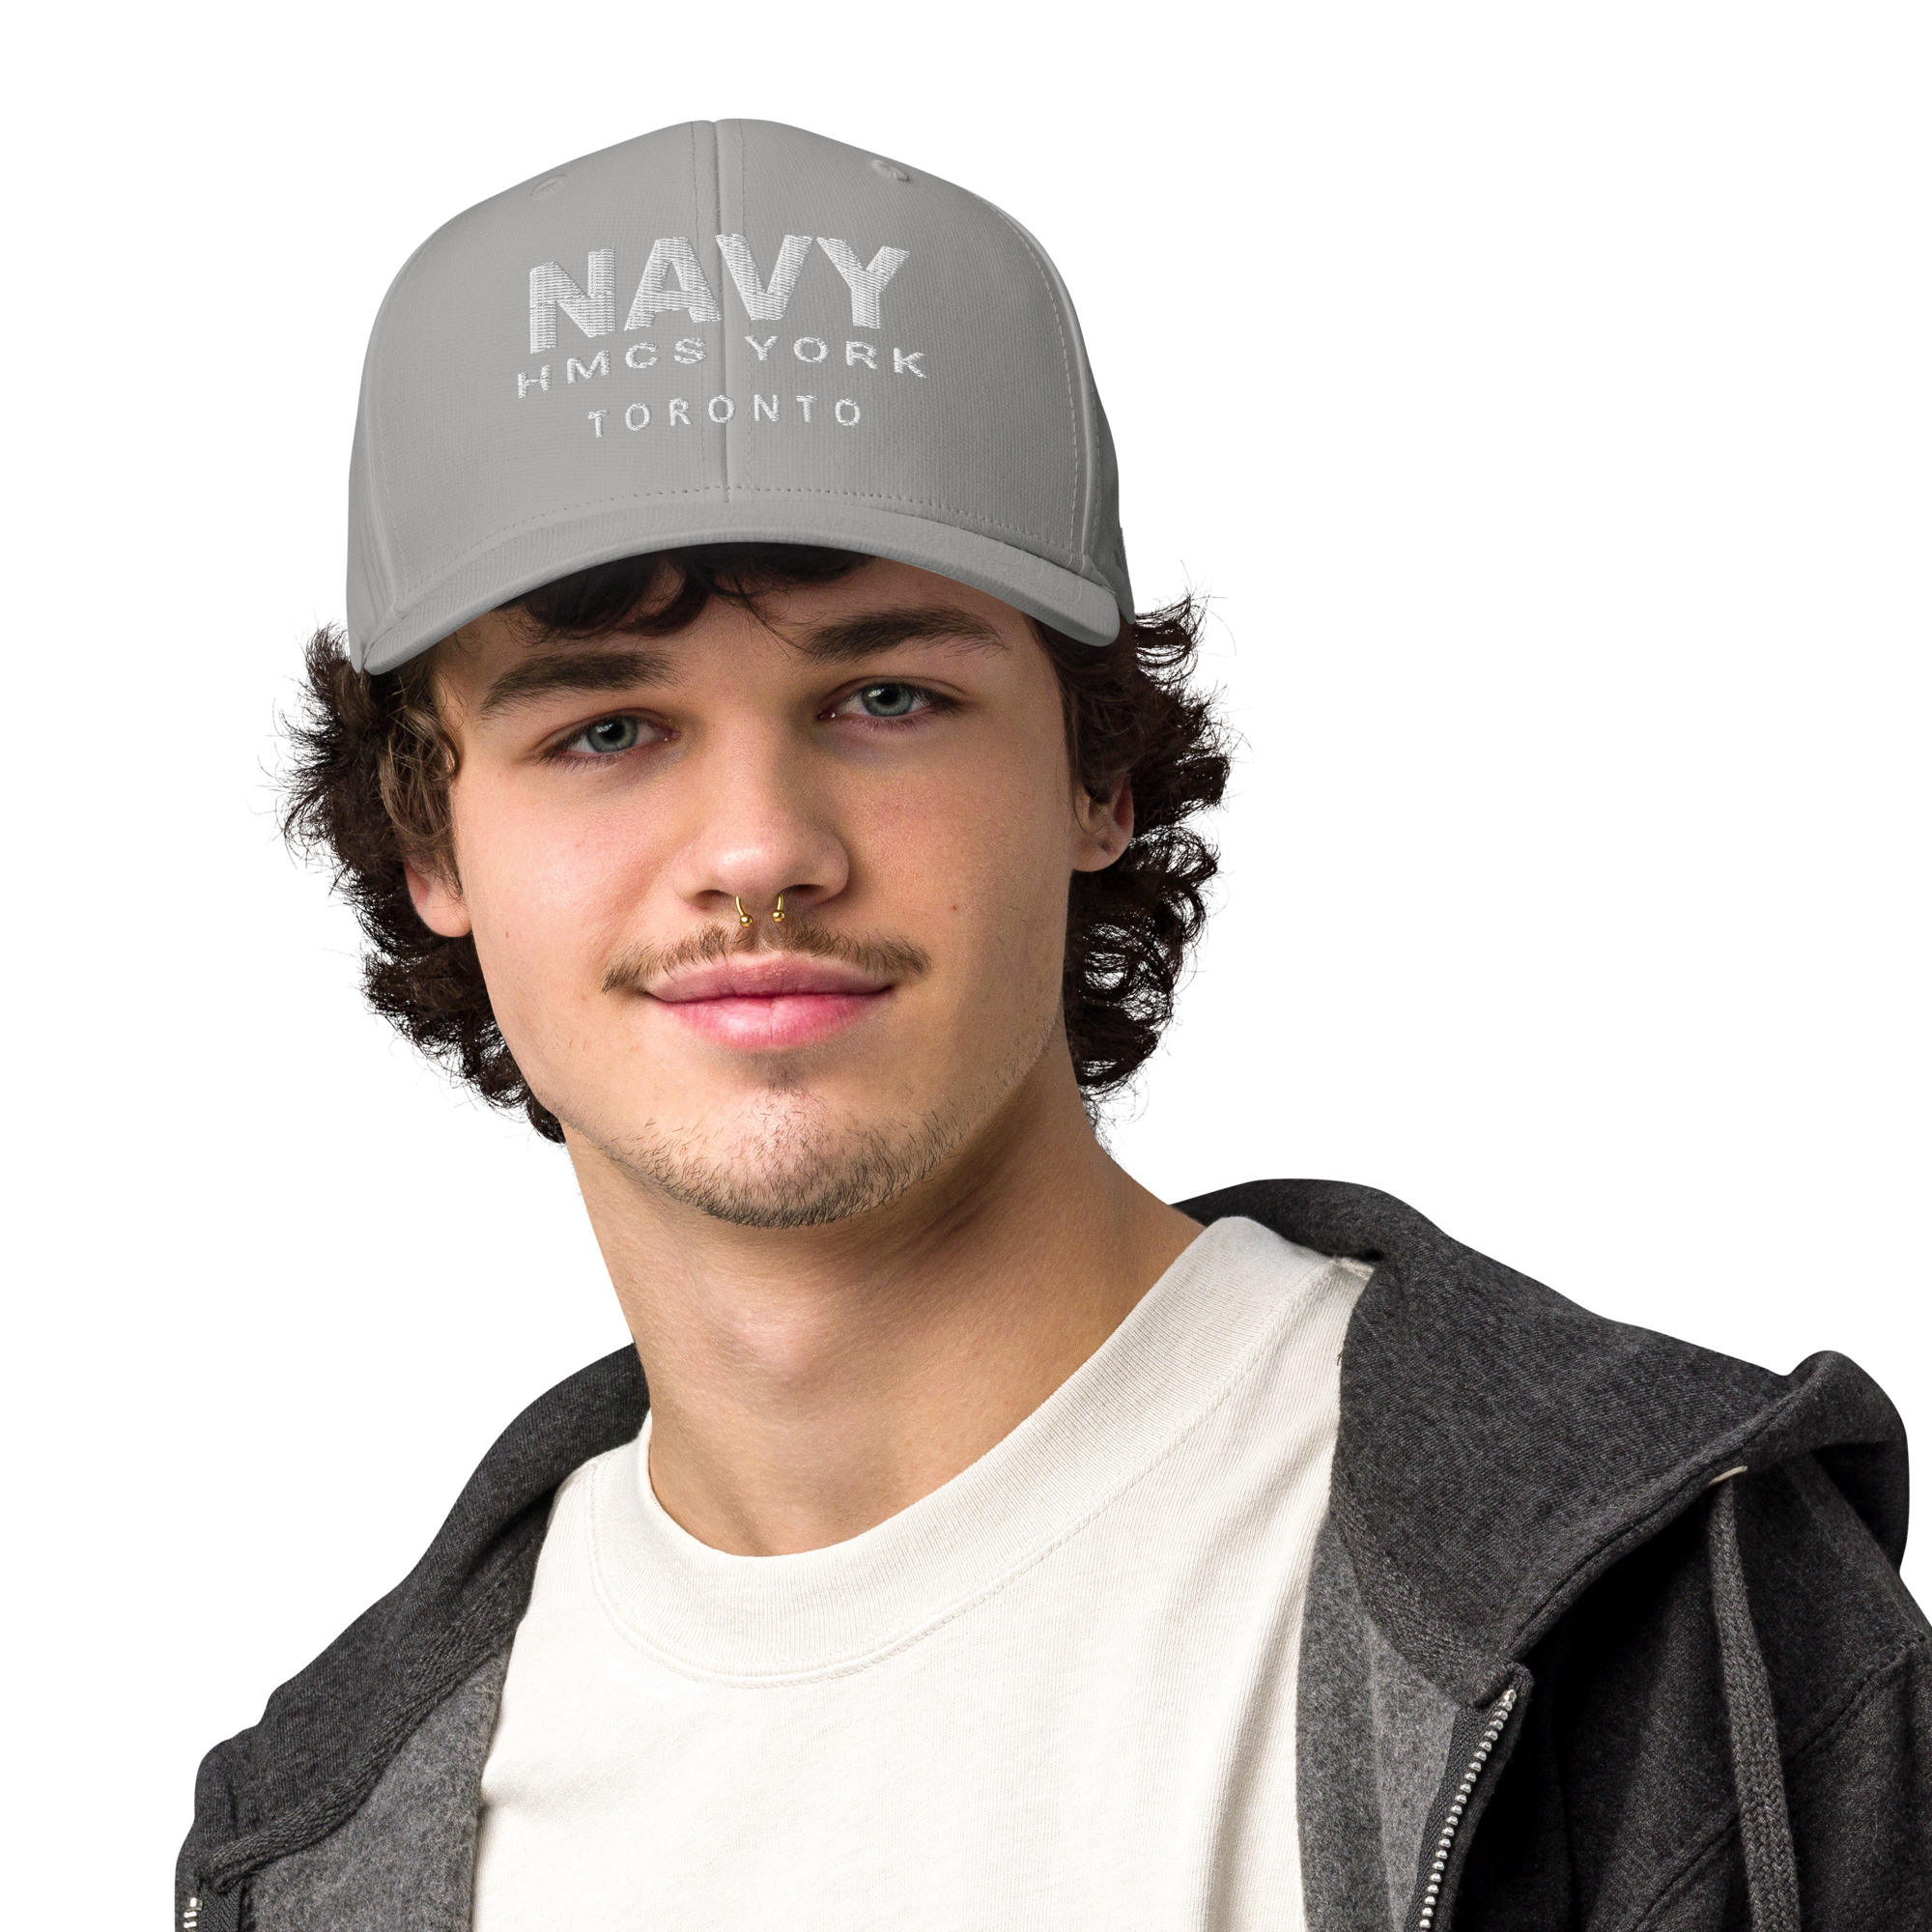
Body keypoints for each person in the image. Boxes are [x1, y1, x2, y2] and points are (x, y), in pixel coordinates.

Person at [178, 119, 1929, 1932]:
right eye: (605, 730)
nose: (759, 847)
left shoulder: (1665, 1619)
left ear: (1099, 773)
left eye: (885, 695)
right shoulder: (316, 1847)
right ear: (427, 838)